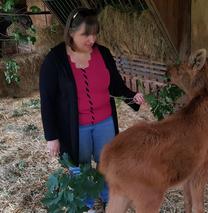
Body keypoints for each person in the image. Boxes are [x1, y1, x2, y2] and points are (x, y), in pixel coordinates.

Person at [39, 7, 144, 211]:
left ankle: (108, 199)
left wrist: (132, 97)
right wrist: (51, 136)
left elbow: (115, 85)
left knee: (107, 164)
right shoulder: (55, 60)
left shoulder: (103, 53)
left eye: (95, 34)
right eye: (85, 34)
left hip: (105, 122)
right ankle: (86, 204)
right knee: (81, 166)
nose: (92, 39)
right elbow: (47, 101)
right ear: (71, 32)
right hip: (75, 127)